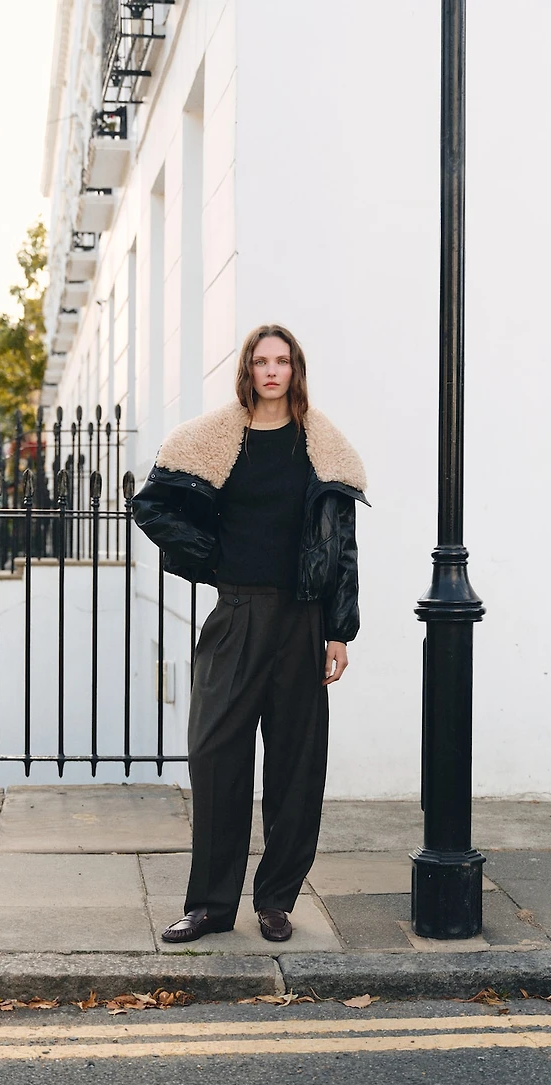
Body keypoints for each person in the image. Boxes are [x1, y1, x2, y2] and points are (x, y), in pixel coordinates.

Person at [132, 324, 368, 942]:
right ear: (247, 369)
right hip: (235, 616)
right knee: (215, 759)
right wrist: (212, 561)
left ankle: (276, 901)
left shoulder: (322, 446)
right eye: (261, 361)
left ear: (296, 369)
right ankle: (211, 906)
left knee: (296, 766)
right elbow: (153, 506)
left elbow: (342, 547)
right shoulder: (213, 439)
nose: (271, 371)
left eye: (281, 361)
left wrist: (339, 631)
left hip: (302, 620)